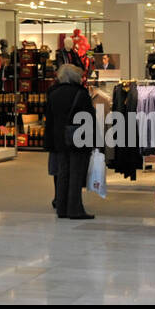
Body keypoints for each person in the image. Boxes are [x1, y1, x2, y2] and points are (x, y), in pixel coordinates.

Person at [46, 63, 95, 219]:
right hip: (78, 138)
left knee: (63, 174)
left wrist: (50, 143)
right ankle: (75, 209)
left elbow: (49, 121)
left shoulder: (53, 93)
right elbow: (89, 119)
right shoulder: (81, 94)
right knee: (76, 173)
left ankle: (62, 207)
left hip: (59, 139)